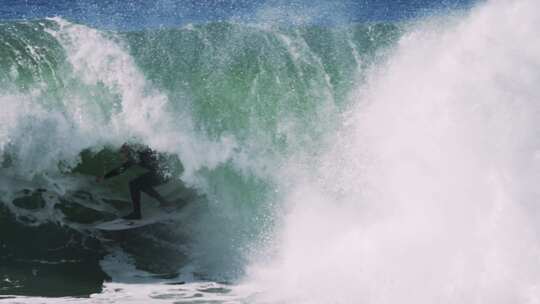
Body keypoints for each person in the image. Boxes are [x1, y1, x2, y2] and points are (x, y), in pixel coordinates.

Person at [97, 143, 172, 220]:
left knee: (134, 184)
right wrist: (105, 177)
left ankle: (137, 214)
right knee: (140, 184)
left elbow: (122, 169)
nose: (121, 156)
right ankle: (164, 202)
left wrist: (105, 177)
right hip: (165, 172)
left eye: (122, 152)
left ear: (127, 151)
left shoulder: (136, 156)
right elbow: (123, 168)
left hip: (162, 173)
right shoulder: (138, 153)